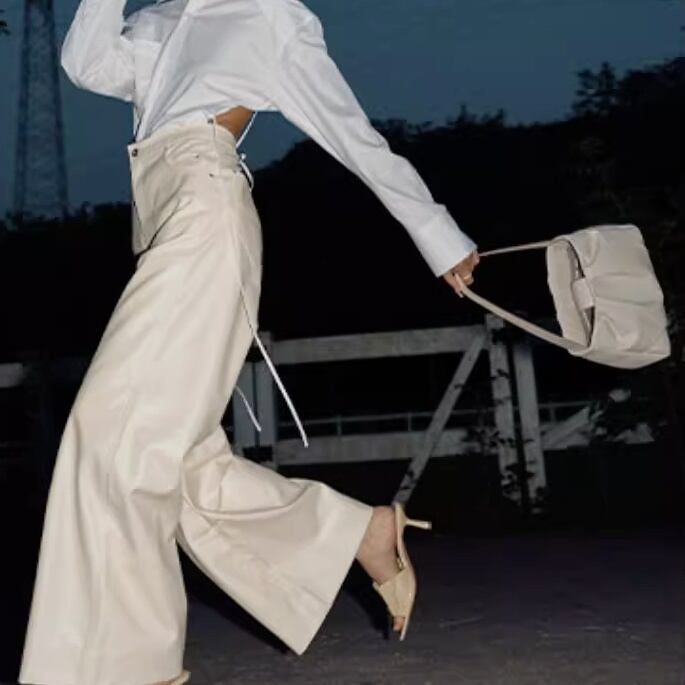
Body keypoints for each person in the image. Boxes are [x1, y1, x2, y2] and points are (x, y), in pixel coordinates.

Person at [18, 0, 480, 683]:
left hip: (205, 217)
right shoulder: (161, 21)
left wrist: (437, 234)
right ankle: (356, 532)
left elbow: (354, 137)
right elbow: (86, 62)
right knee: (183, 461)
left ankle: (131, 668)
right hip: (160, 222)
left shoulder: (268, 18)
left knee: (111, 432)